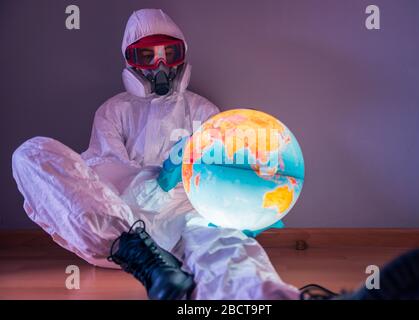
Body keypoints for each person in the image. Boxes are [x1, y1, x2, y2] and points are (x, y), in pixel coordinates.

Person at [12, 8, 299, 300]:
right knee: (30, 153)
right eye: (147, 56)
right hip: (116, 229)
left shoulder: (203, 111)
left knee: (226, 247)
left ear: (183, 55)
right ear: (130, 61)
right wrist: (160, 181)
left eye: (169, 54)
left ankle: (278, 297)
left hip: (187, 220)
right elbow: (107, 182)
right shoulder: (113, 112)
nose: (160, 66)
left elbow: (215, 183)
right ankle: (147, 260)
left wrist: (241, 210)